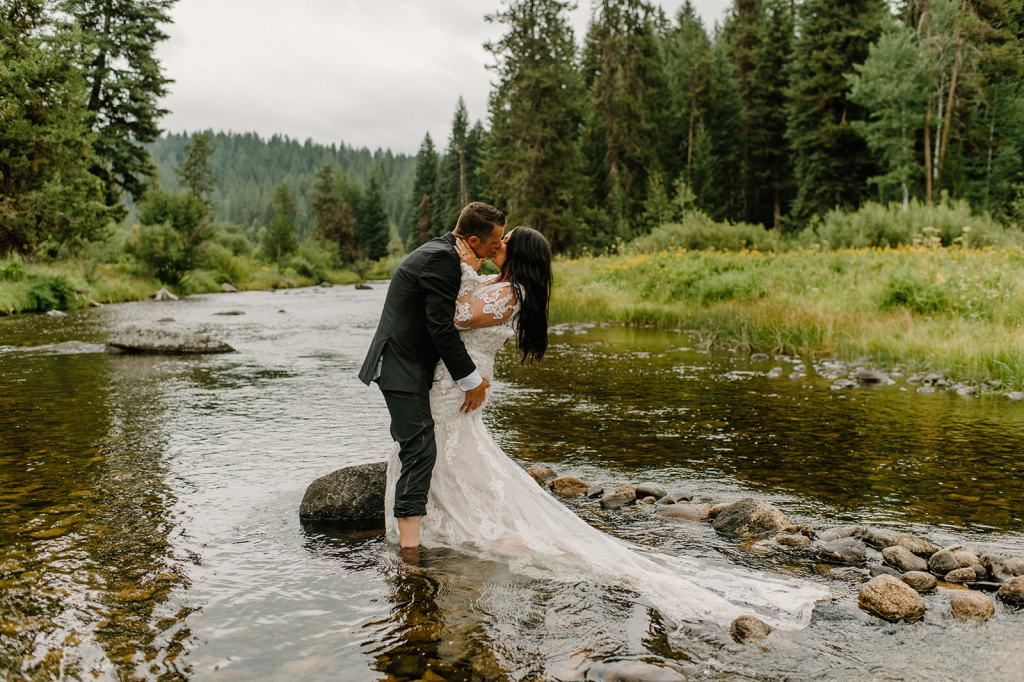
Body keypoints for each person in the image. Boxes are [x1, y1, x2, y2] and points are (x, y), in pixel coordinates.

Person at [382, 225, 830, 630]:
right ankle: (433, 519)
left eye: (505, 242)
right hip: (456, 378)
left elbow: (454, 316)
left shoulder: (507, 293)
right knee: (453, 451)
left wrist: (456, 268)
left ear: (518, 256)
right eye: (496, 240)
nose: (497, 245)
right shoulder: (498, 285)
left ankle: (435, 527)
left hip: (458, 382)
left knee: (449, 447)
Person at [358, 201, 506, 551]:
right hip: (400, 364)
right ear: (472, 239)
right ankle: (409, 551)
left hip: (407, 364)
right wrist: (471, 380)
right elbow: (440, 327)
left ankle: (409, 536)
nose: (496, 248)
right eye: (493, 242)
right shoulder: (443, 259)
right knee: (421, 447)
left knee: (415, 442)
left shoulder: (442, 252)